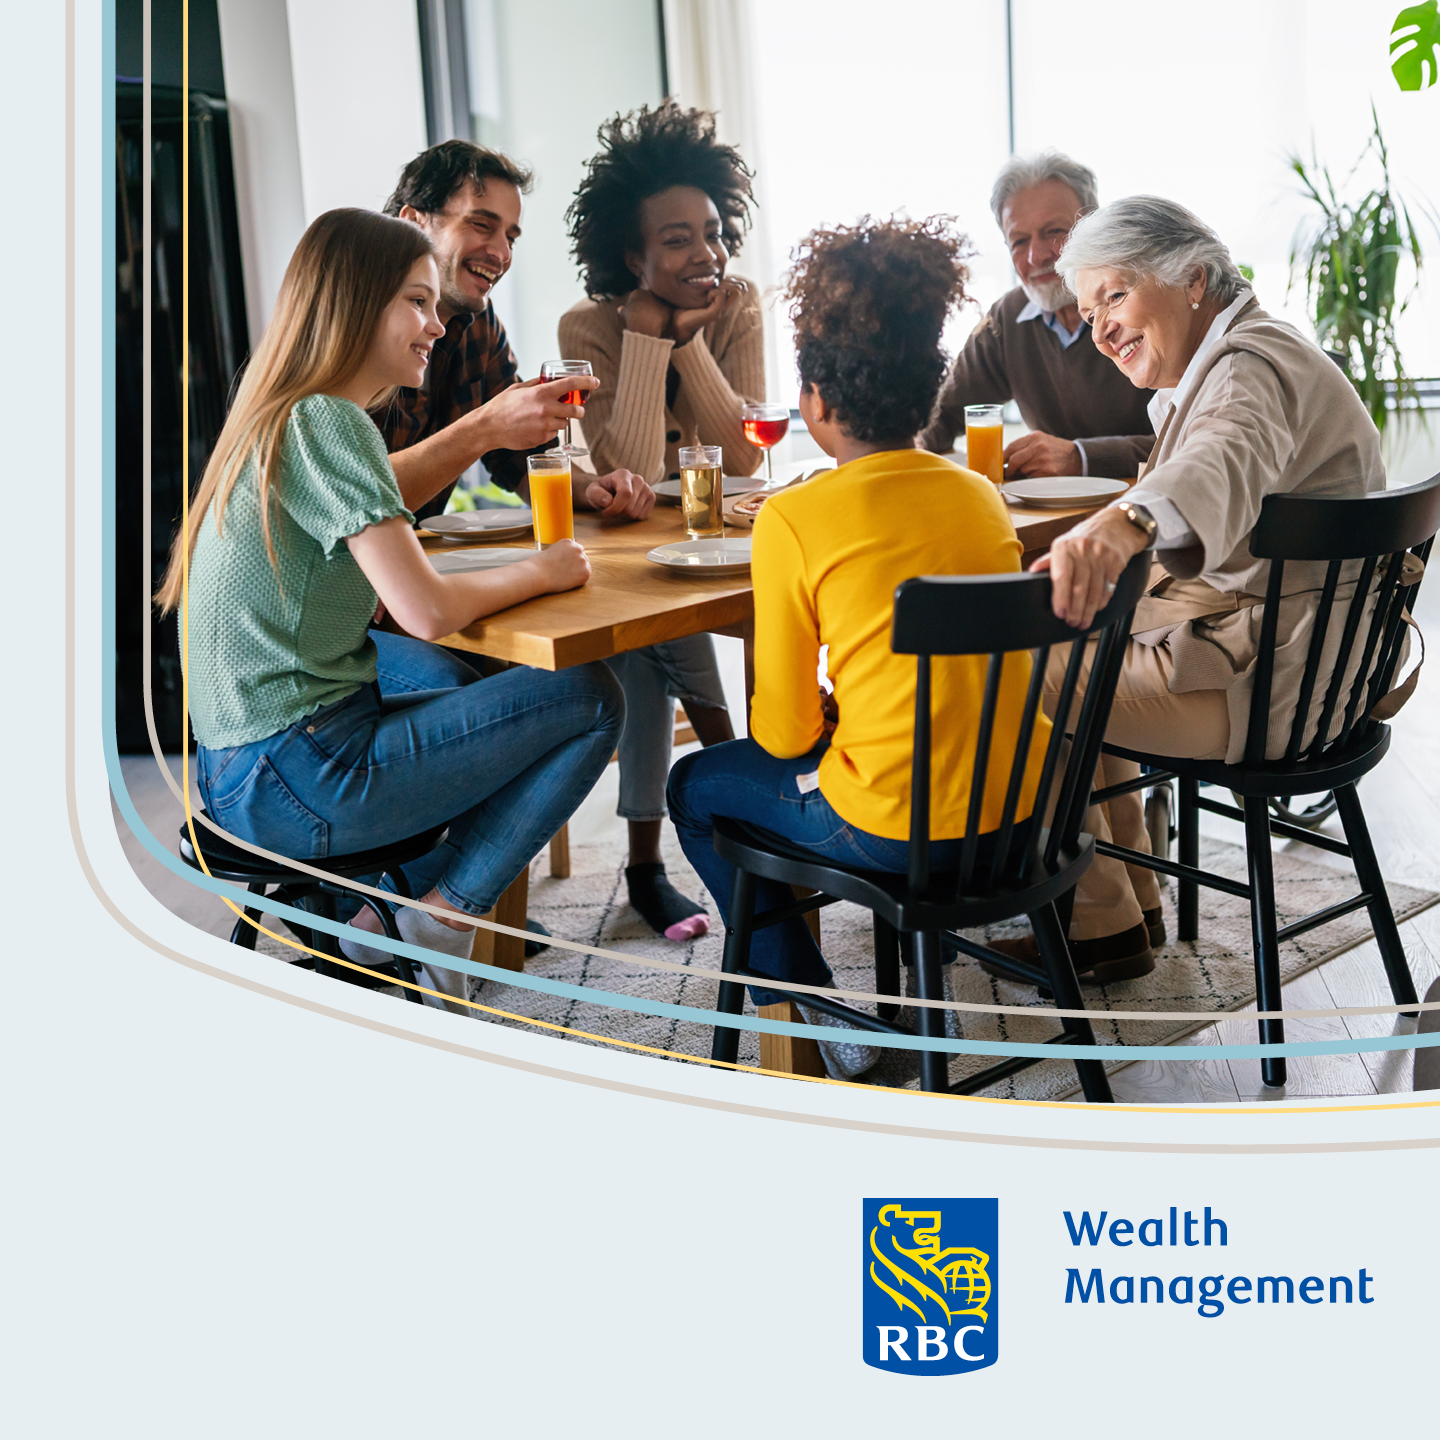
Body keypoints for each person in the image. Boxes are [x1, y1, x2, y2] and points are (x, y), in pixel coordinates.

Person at [157, 208, 624, 1015]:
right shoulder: (328, 421)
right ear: (353, 304)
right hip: (297, 776)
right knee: (589, 697)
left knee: (473, 693)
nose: (437, 326)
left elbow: (381, 512)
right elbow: (426, 608)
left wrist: (483, 439)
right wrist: (542, 569)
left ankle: (385, 911)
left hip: (234, 770)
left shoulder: (283, 415)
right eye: (417, 302)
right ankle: (439, 915)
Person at [666, 217, 1052, 1080]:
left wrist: (827, 717)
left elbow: (784, 737)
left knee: (695, 787)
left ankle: (821, 1014)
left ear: (814, 402)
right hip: (1021, 818)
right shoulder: (981, 496)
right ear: (928, 394)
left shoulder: (794, 518)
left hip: (897, 834)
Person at [988, 194, 1395, 983]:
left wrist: (1126, 521)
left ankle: (1099, 920)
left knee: (1017, 676)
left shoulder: (1249, 367)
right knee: (1080, 643)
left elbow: (1224, 454)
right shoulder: (1249, 354)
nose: (1100, 331)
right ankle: (1120, 913)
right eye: (1089, 311)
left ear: (1195, 280)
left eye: (1115, 296)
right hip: (1314, 667)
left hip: (1277, 686)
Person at [560, 102, 766, 940]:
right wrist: (648, 338)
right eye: (677, 240)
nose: (706, 254)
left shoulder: (738, 306)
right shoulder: (587, 326)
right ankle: (743, 806)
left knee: (649, 656)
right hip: (627, 550)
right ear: (631, 255)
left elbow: (745, 456)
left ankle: (657, 859)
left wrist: (689, 343)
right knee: (654, 645)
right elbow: (633, 467)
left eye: (712, 233)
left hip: (716, 538)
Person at [919, 152, 1155, 480]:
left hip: (1148, 501)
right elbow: (940, 418)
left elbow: (1196, 438)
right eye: (1019, 241)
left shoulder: (1147, 301)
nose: (1036, 256)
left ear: (1094, 228)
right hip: (1044, 506)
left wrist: (1082, 457)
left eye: (1054, 232)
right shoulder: (1007, 319)